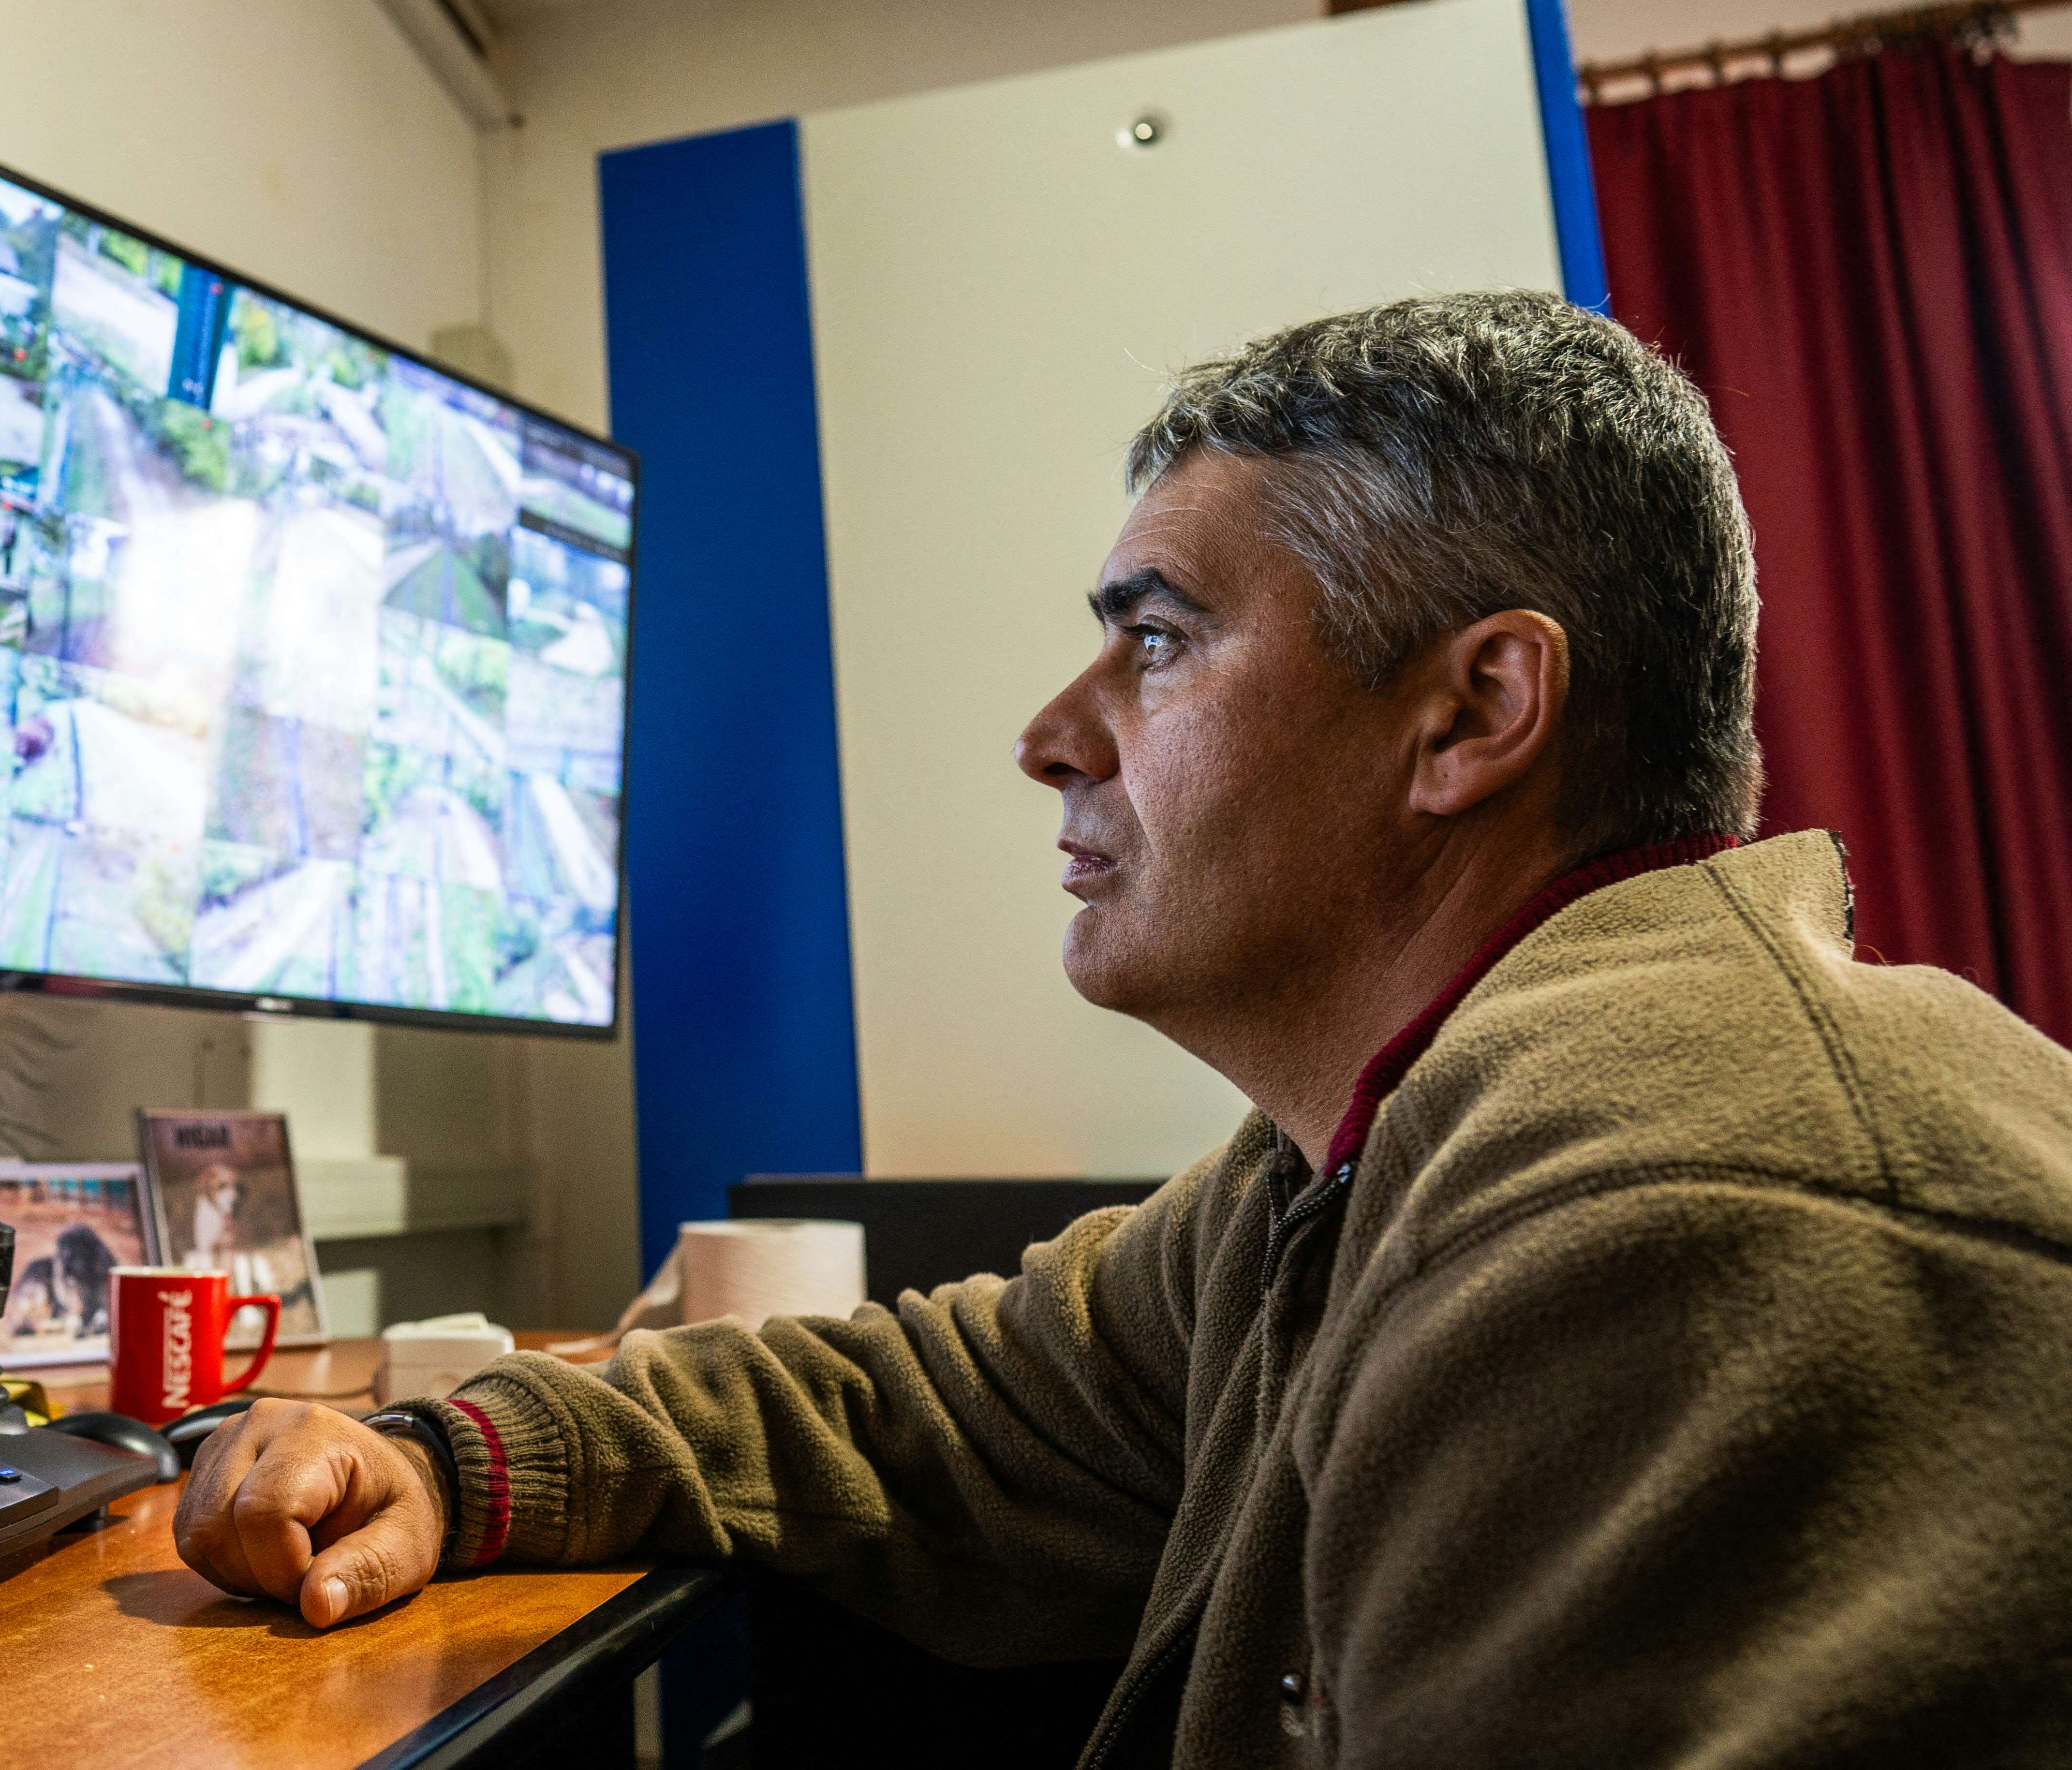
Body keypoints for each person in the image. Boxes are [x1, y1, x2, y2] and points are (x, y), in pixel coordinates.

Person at [173, 292, 2072, 1764]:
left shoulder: (1689, 1218)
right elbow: (938, 1410)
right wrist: (451, 1456)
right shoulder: (1367, 1160)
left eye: (1157, 638)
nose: (1052, 735)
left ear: (1474, 712)